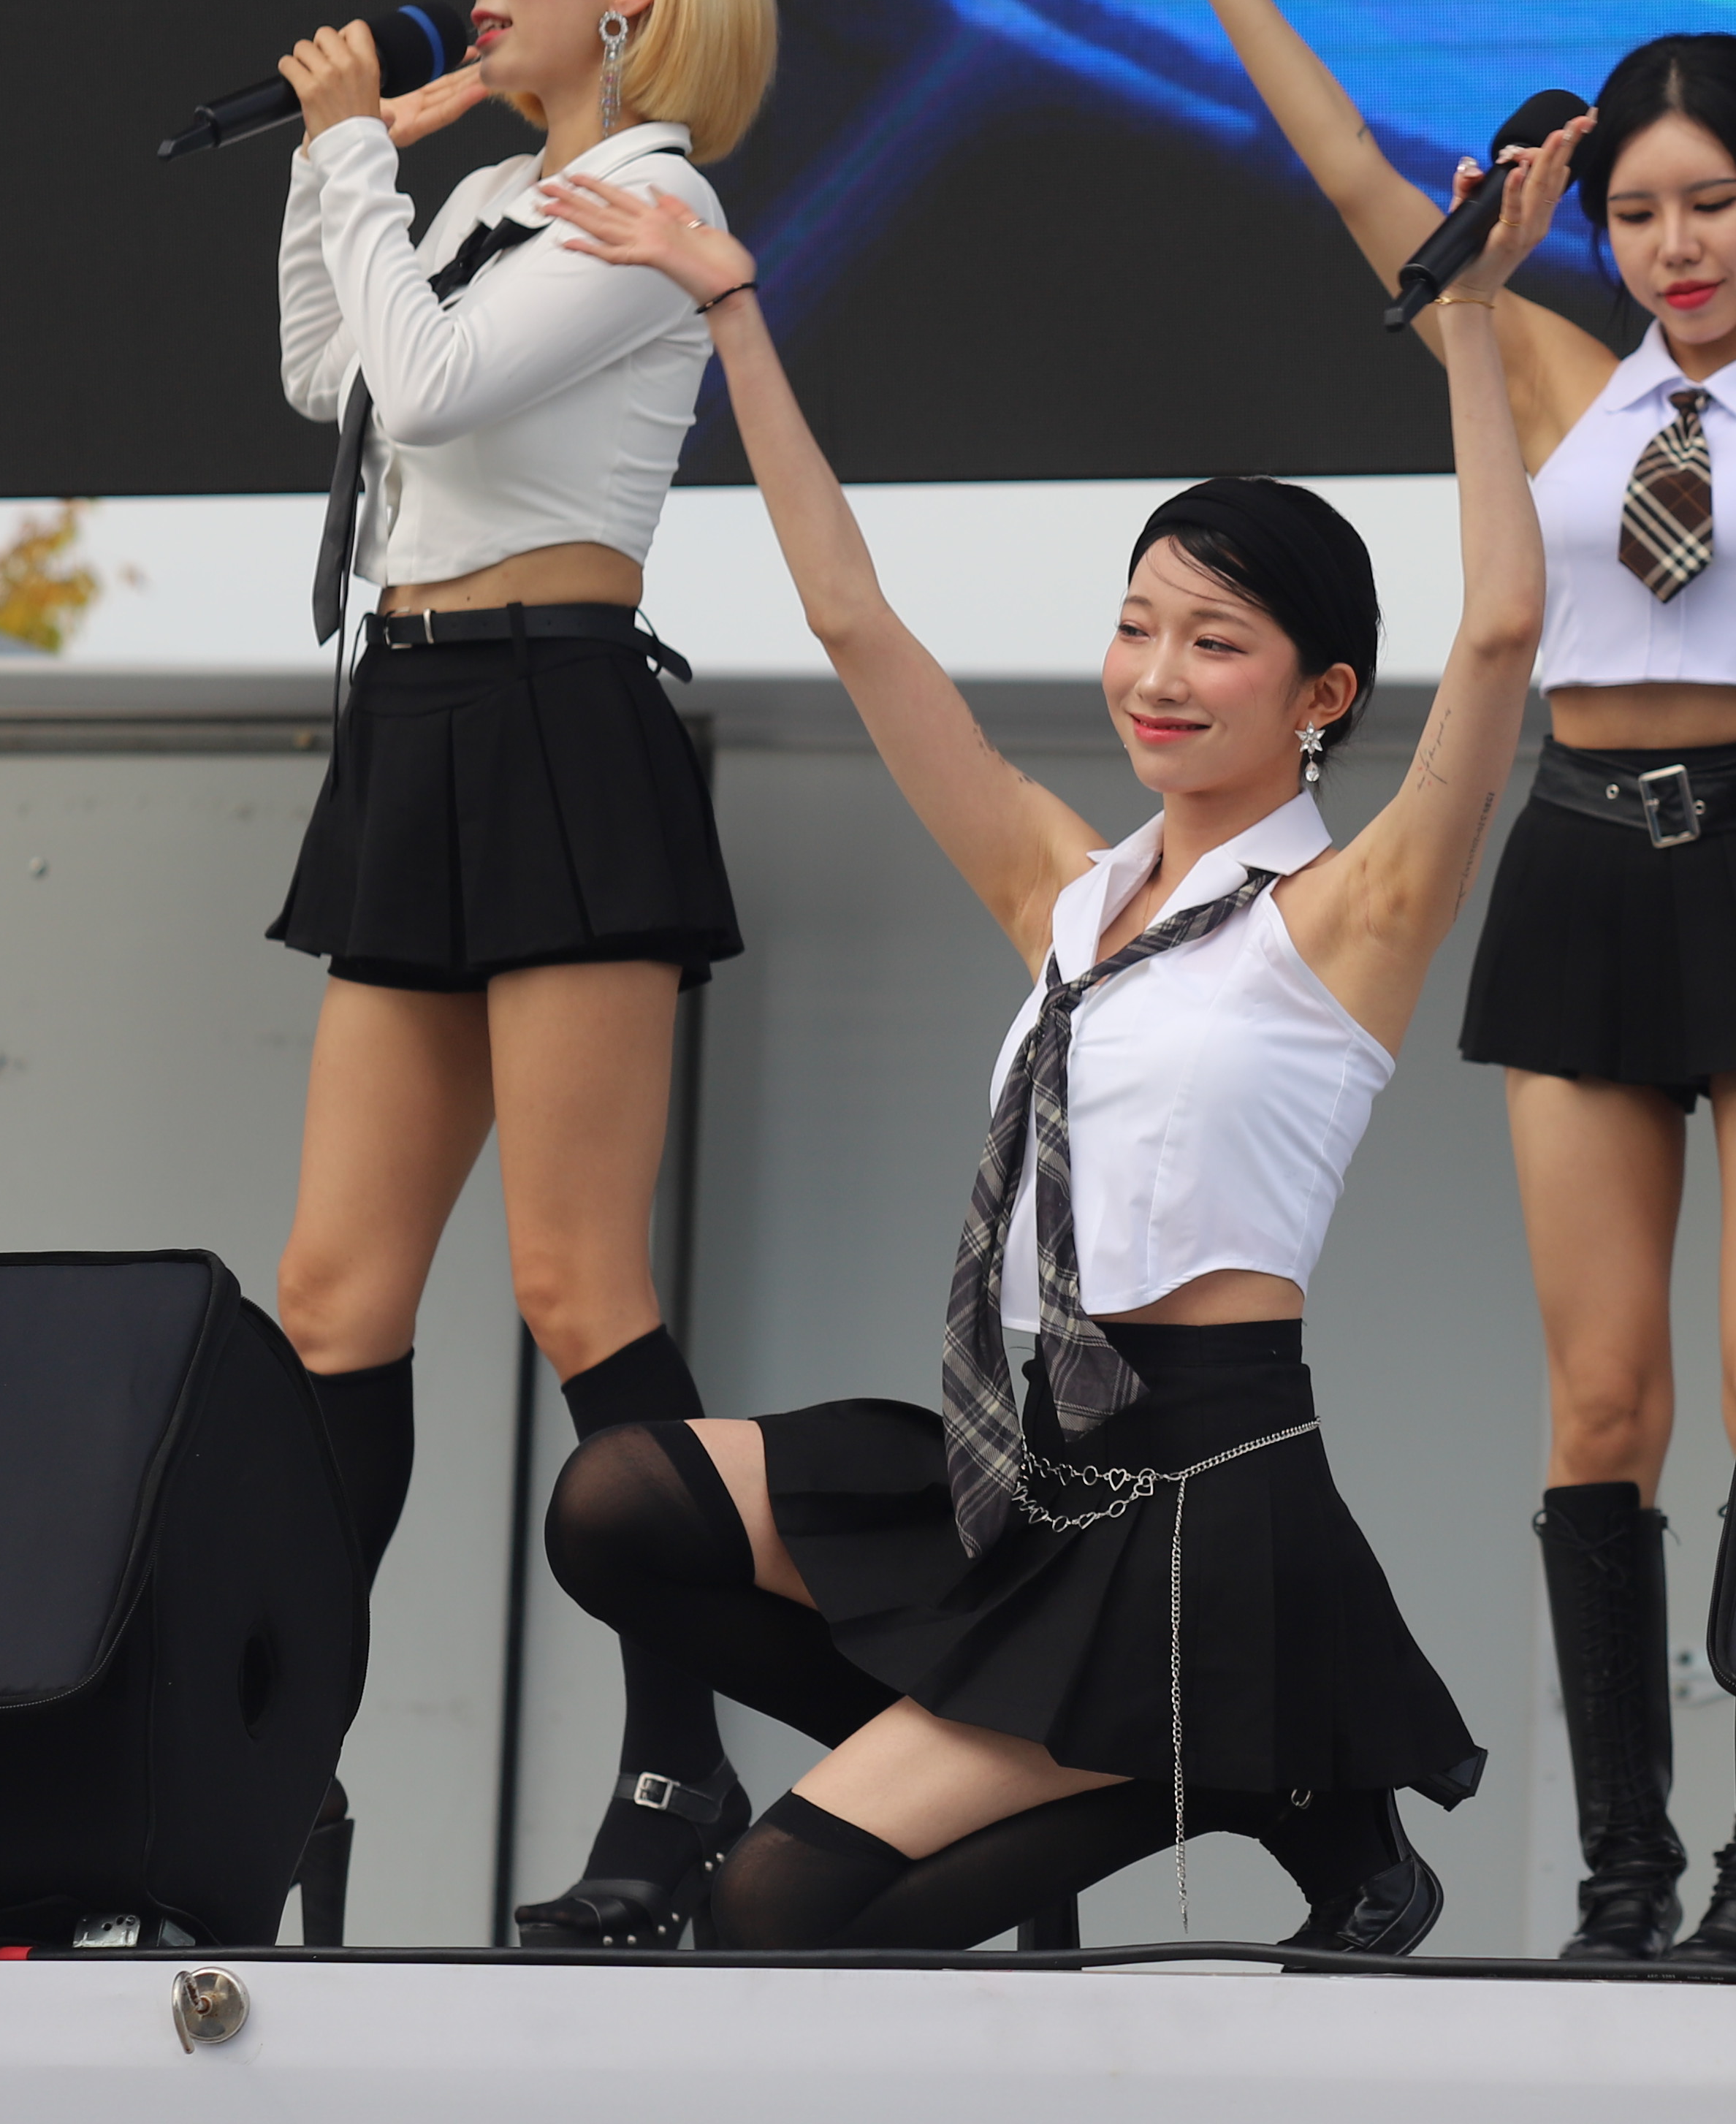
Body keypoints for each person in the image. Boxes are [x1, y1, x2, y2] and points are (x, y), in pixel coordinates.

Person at [1029, 0, 1736, 1965]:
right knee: (1602, 1402)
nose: (1675, 244)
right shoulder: (1556, 374)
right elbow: (1355, 186)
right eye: (1640, 210)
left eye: (1716, 204)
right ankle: (1624, 1874)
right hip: (1585, 869)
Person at [519, 112, 1572, 1954]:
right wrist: (735, 309)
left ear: (1321, 696)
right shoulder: (1068, 892)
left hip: (1200, 1506)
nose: (1157, 675)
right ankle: (1142, 1760)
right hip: (1018, 1465)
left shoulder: (1354, 913)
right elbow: (853, 623)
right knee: (619, 1502)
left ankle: (1231, 1768)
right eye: (1138, 625)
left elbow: (1498, 637)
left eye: (1216, 642)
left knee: (775, 1914)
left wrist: (1473, 318)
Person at [262, 0, 777, 1947]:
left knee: (576, 1288)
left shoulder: (655, 203)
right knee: (331, 1294)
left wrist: (353, 162)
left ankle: (678, 1766)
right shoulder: (487, 197)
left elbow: (438, 377)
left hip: (558, 720)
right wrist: (341, 174)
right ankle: (277, 1764)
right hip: (413, 720)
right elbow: (335, 379)